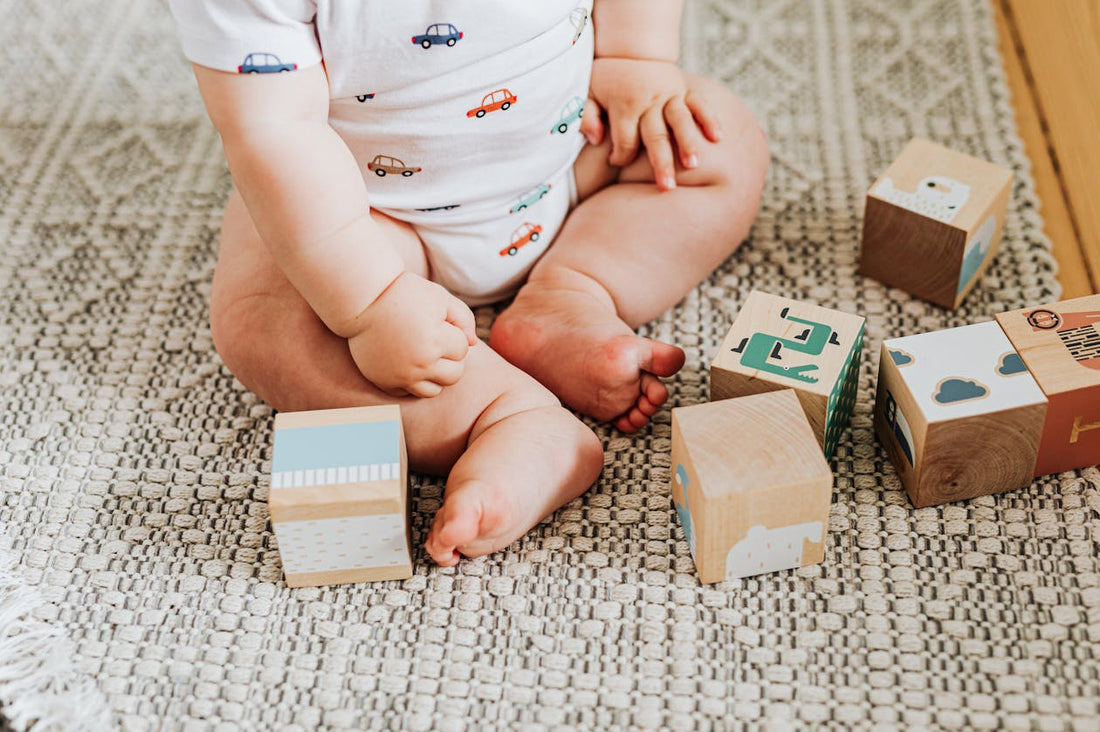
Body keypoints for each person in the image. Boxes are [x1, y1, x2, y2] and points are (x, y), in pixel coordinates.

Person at [169, 0, 768, 567]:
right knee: (259, 317)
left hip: (564, 152)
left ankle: (571, 294)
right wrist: (368, 303)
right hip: (364, 221)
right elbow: (273, 133)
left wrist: (635, 60)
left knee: (717, 141)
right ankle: (504, 414)